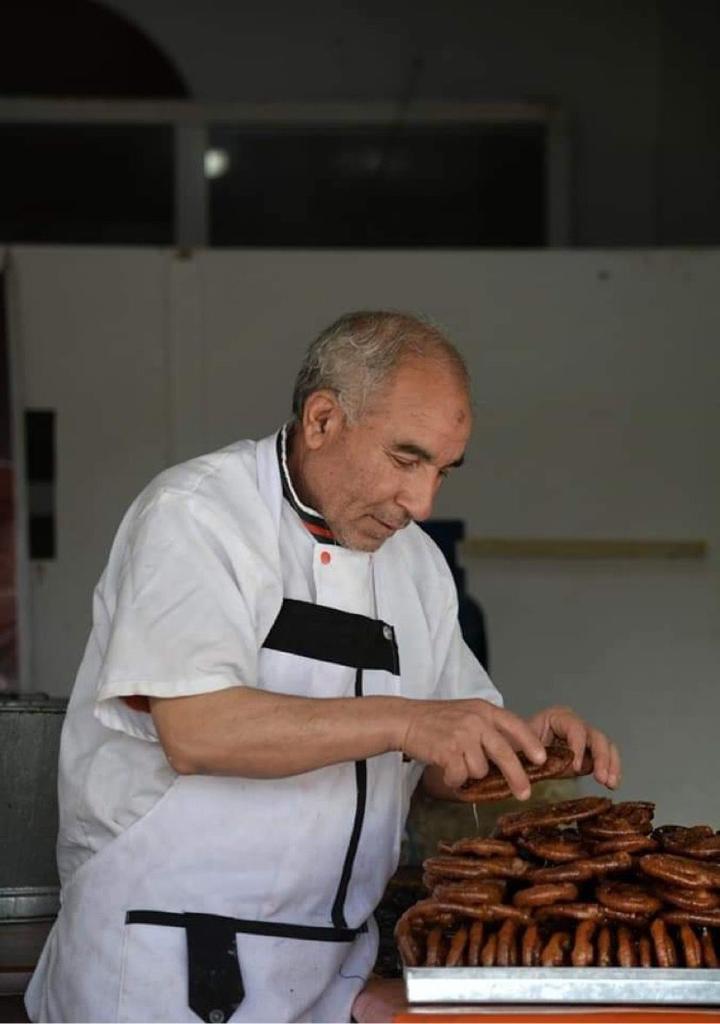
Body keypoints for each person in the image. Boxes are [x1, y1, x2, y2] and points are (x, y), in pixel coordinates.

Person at [26, 311, 620, 1024]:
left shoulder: (418, 568)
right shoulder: (198, 516)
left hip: (332, 973)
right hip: (166, 962)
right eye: (405, 460)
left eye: (442, 470)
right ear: (321, 419)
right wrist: (407, 720)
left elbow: (443, 762)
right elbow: (197, 730)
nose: (422, 502)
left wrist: (523, 744)